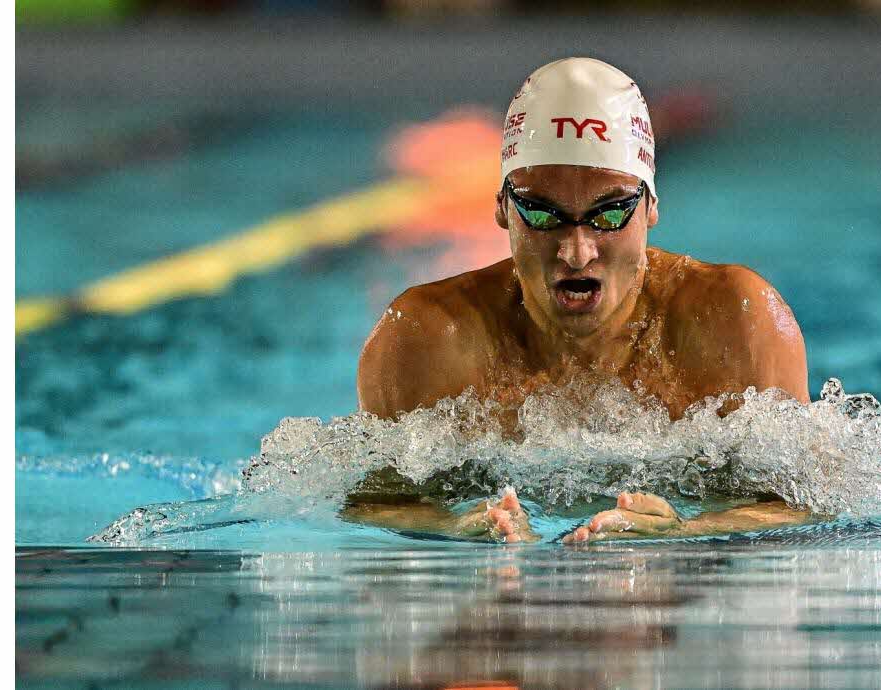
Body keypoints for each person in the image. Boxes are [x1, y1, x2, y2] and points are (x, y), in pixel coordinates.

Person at [343, 58, 812, 543]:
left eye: (608, 215)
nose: (576, 252)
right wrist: (453, 528)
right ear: (503, 208)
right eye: (543, 215)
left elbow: (810, 507)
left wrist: (686, 531)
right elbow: (372, 507)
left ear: (650, 205)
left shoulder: (736, 322)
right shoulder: (428, 338)